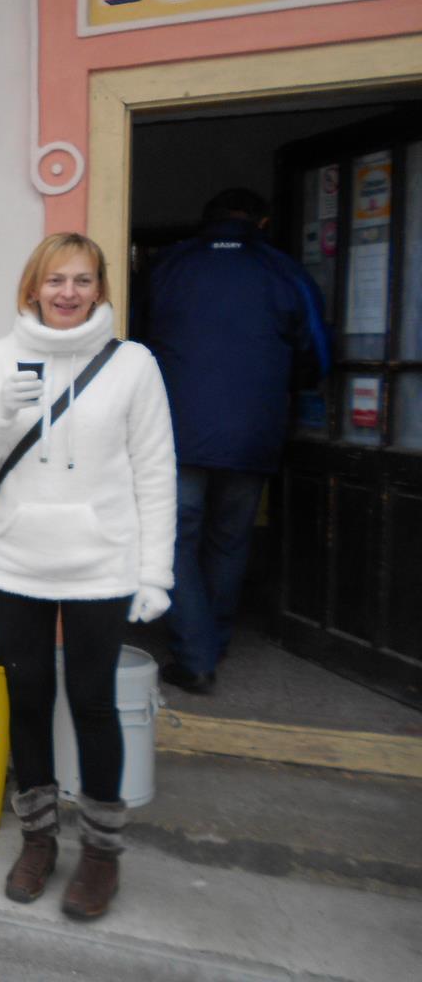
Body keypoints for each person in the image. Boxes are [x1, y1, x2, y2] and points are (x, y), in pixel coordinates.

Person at [0, 232, 175, 920]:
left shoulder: (133, 365)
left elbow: (155, 472)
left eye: (82, 280)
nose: (68, 293)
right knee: (28, 698)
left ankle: (101, 855)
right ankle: (39, 840)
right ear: (33, 288)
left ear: (100, 288)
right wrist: (0, 410)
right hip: (17, 561)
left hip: (101, 565)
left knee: (92, 702)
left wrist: (155, 572)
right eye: (55, 280)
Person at [144, 188, 329, 695]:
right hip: (253, 432)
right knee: (230, 539)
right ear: (262, 223)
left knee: (175, 538)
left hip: (176, 430)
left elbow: (135, 340)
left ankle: (195, 655)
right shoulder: (284, 271)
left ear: (205, 220)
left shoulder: (168, 266)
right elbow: (317, 353)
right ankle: (215, 642)